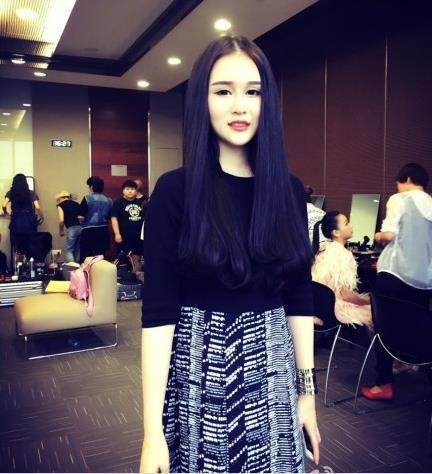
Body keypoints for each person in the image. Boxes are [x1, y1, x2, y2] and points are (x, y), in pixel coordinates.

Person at [140, 36, 320, 474]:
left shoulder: (288, 189)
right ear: (202, 100)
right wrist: (151, 433)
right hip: (199, 374)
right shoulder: (175, 190)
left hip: (273, 372)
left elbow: (299, 299)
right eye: (223, 91)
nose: (240, 106)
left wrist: (307, 396)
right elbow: (158, 315)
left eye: (252, 92)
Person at [361, 163, 432, 401]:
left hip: (395, 274)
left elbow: (389, 235)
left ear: (407, 179)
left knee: (384, 327)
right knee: (416, 324)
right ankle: (407, 364)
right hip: (424, 281)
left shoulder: (400, 199)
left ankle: (383, 384)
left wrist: (377, 235)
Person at [311, 211, 372, 327]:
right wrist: (370, 301)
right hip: (333, 311)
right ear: (336, 232)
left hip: (317, 308)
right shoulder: (344, 255)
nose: (351, 226)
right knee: (376, 312)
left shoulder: (323, 250)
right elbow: (346, 295)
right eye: (346, 223)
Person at [1, 173, 43, 256]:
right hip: (29, 221)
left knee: (17, 246)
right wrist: (42, 217)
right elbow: (37, 207)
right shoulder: (31, 193)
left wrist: (6, 213)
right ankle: (30, 262)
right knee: (31, 244)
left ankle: (19, 262)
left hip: (16, 221)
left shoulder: (11, 193)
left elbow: (4, 205)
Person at [78, 176, 112, 261]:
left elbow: (81, 216)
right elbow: (110, 216)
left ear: (91, 187)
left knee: (86, 257)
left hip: (88, 231)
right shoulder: (109, 200)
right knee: (100, 257)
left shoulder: (87, 198)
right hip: (103, 231)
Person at [111, 180, 144, 255]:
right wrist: (117, 234)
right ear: (123, 191)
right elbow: (114, 218)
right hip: (123, 237)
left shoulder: (140, 203)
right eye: (127, 189)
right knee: (124, 257)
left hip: (138, 237)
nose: (130, 191)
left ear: (136, 191)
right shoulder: (118, 202)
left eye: (132, 189)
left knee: (137, 256)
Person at [56, 190, 82, 262]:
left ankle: (72, 267)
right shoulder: (76, 204)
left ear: (60, 198)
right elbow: (81, 217)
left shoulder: (60, 205)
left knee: (69, 250)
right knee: (77, 249)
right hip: (80, 227)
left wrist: (61, 231)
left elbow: (61, 220)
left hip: (72, 228)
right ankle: (77, 267)